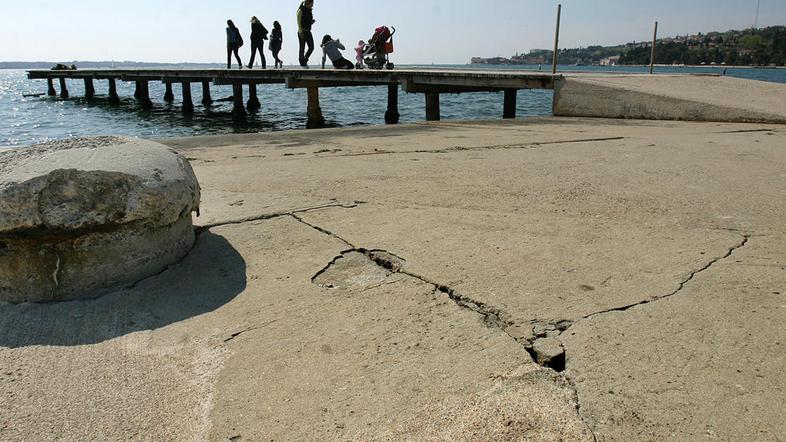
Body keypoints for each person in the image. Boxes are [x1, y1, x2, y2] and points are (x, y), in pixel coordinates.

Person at [297, 0, 315, 67]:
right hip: (302, 31)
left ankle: (305, 60)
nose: (313, 5)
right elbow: (298, 21)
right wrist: (300, 31)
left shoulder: (310, 11)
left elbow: (307, 21)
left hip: (308, 31)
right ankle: (302, 63)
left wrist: (311, 22)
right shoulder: (301, 10)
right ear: (308, 3)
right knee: (302, 48)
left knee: (311, 47)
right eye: (312, 3)